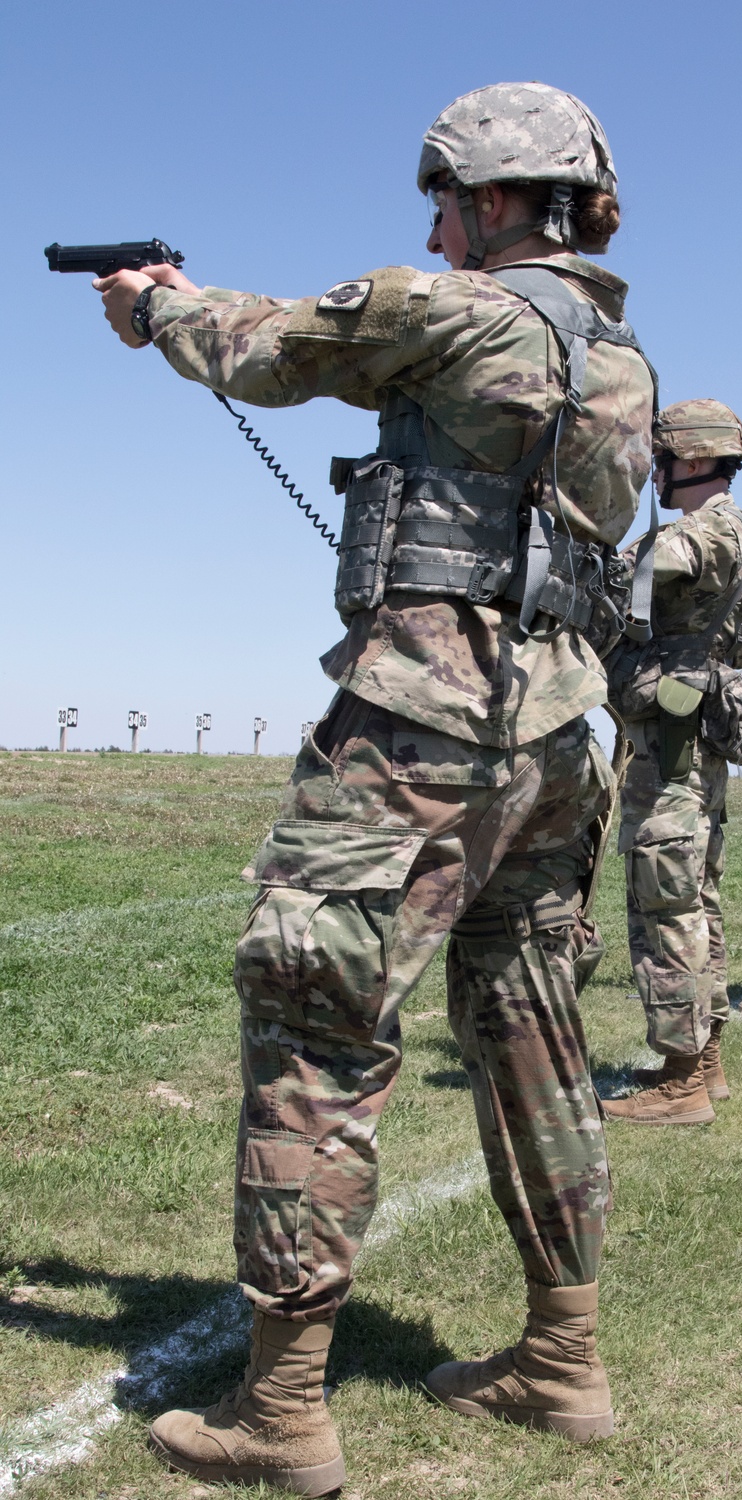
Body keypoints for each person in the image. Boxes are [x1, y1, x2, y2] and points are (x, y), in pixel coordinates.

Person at [93, 82, 656, 1491]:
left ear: (482, 195)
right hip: (553, 738)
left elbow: (269, 351)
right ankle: (563, 1361)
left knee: (314, 1019)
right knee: (530, 1026)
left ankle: (280, 1413)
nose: (433, 222)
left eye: (444, 198)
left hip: (421, 728)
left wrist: (160, 304)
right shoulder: (622, 360)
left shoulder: (453, 307)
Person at [601, 400, 742, 1124]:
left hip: (674, 747)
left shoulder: (709, 532)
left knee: (665, 900)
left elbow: (656, 564)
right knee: (695, 896)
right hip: (695, 737)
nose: (653, 472)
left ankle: (681, 1079)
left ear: (694, 460)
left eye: (661, 458)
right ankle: (707, 1061)